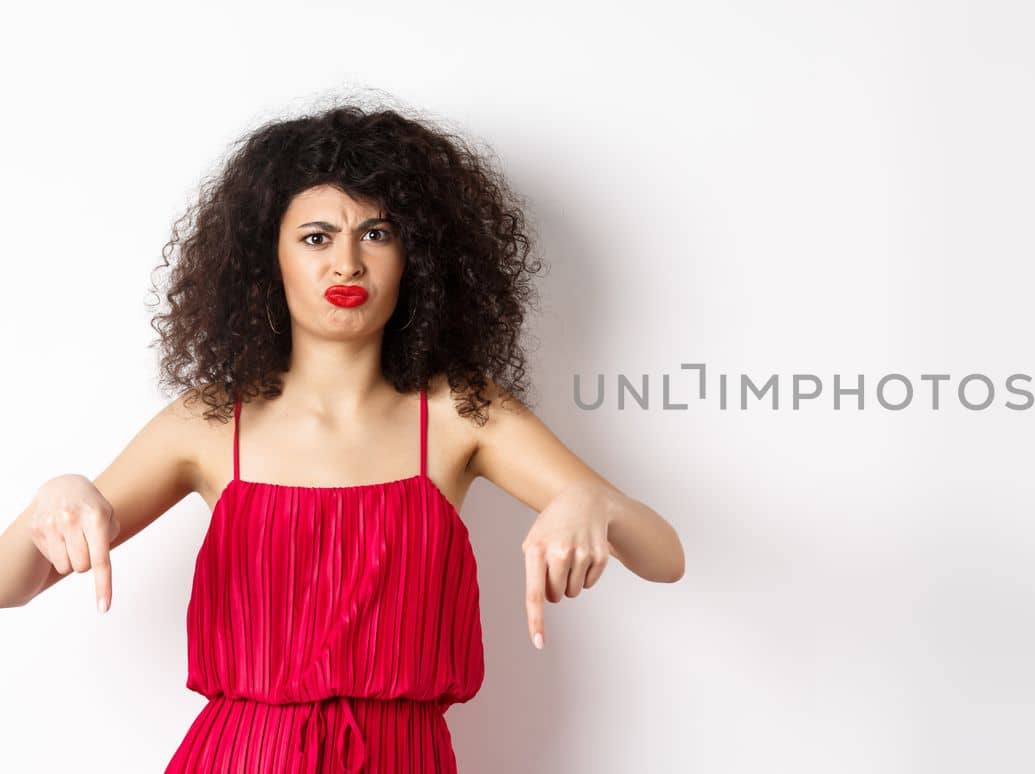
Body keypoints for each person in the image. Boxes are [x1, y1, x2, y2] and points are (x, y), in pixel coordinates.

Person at [0, 98, 686, 772]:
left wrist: (596, 504)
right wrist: (55, 497)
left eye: (378, 234)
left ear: (418, 255)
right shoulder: (208, 423)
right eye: (316, 237)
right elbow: (11, 584)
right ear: (267, 259)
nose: (348, 264)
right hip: (240, 759)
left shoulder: (462, 414)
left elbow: (665, 557)